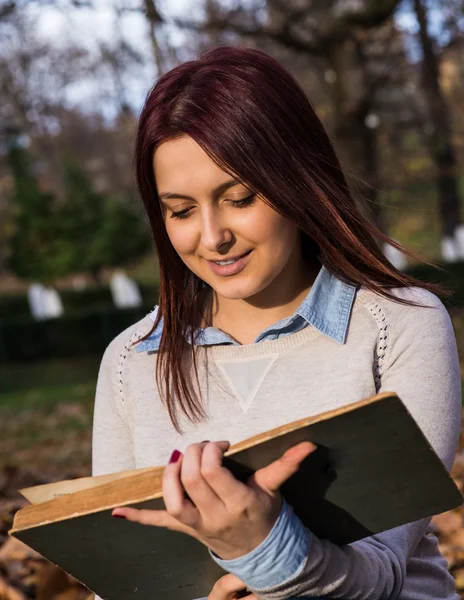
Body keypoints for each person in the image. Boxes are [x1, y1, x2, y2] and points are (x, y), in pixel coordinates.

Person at [92, 46, 462, 600]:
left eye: (239, 197)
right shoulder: (131, 360)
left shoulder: (398, 325)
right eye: (181, 210)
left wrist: (262, 549)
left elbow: (381, 573)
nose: (212, 236)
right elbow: (118, 574)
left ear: (297, 179)